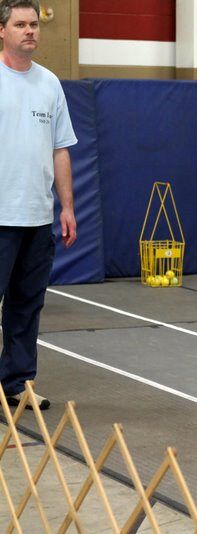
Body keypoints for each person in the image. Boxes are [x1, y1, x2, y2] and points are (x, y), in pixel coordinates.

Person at [0, 0, 78, 410]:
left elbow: (60, 150)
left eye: (34, 24)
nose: (29, 30)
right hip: (0, 217)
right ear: (2, 30)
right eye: (20, 24)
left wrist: (66, 208)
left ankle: (15, 383)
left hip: (37, 218)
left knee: (27, 306)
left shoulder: (49, 83)